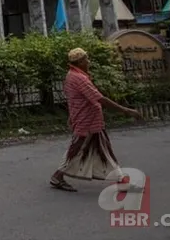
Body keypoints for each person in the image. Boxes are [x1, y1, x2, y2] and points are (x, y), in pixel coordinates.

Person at [50, 47, 143, 192]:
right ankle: (57, 176)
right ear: (80, 62)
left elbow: (75, 100)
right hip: (86, 121)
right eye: (86, 59)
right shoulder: (79, 78)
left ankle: (121, 180)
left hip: (89, 121)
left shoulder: (73, 75)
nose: (88, 61)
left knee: (102, 150)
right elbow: (99, 98)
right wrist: (127, 110)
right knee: (77, 150)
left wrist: (72, 116)